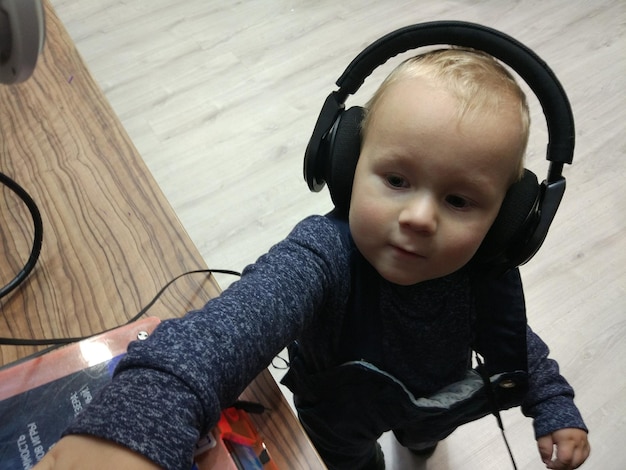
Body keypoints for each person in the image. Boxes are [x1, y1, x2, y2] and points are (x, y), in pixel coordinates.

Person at [35, 48, 590, 470]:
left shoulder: (481, 274)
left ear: (510, 221)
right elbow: (224, 332)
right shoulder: (323, 255)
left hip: (434, 402)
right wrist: (132, 422)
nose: (421, 217)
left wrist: (555, 405)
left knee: (423, 437)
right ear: (346, 164)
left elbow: (515, 345)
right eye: (396, 180)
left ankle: (418, 444)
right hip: (338, 414)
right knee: (348, 459)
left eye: (459, 200)